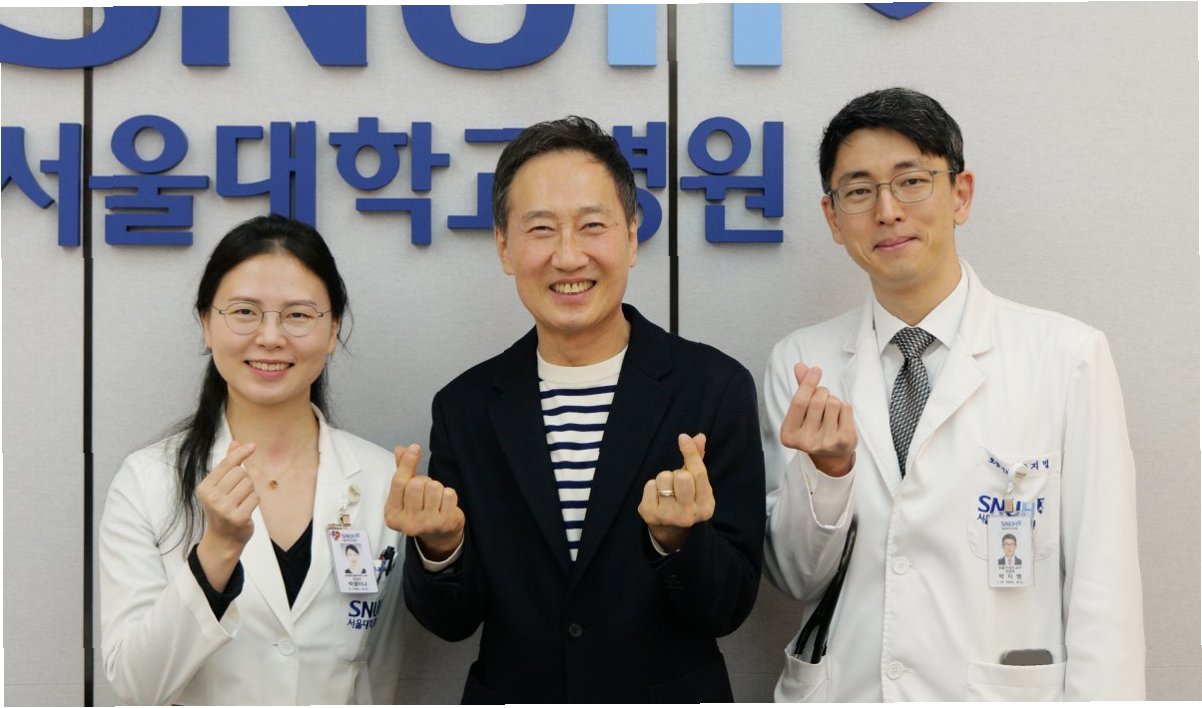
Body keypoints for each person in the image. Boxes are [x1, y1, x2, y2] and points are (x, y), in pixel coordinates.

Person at [762, 88, 1144, 701]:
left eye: (912, 182)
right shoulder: (803, 363)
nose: (887, 211)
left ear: (960, 194)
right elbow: (795, 577)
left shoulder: (1067, 356)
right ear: (834, 218)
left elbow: (1106, 586)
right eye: (859, 192)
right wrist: (828, 474)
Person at [387, 116, 765, 702]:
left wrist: (678, 542)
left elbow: (730, 606)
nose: (568, 256)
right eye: (541, 229)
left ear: (632, 236)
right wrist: (441, 549)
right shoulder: (467, 407)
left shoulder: (713, 388)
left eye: (592, 226)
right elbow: (451, 622)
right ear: (505, 247)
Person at [99, 215, 404, 705]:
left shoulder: (382, 478)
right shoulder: (148, 481)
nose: (270, 337)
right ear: (206, 323)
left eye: (298, 315)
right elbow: (136, 686)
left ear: (333, 330)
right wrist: (217, 551)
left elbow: (381, 668)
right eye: (244, 312)